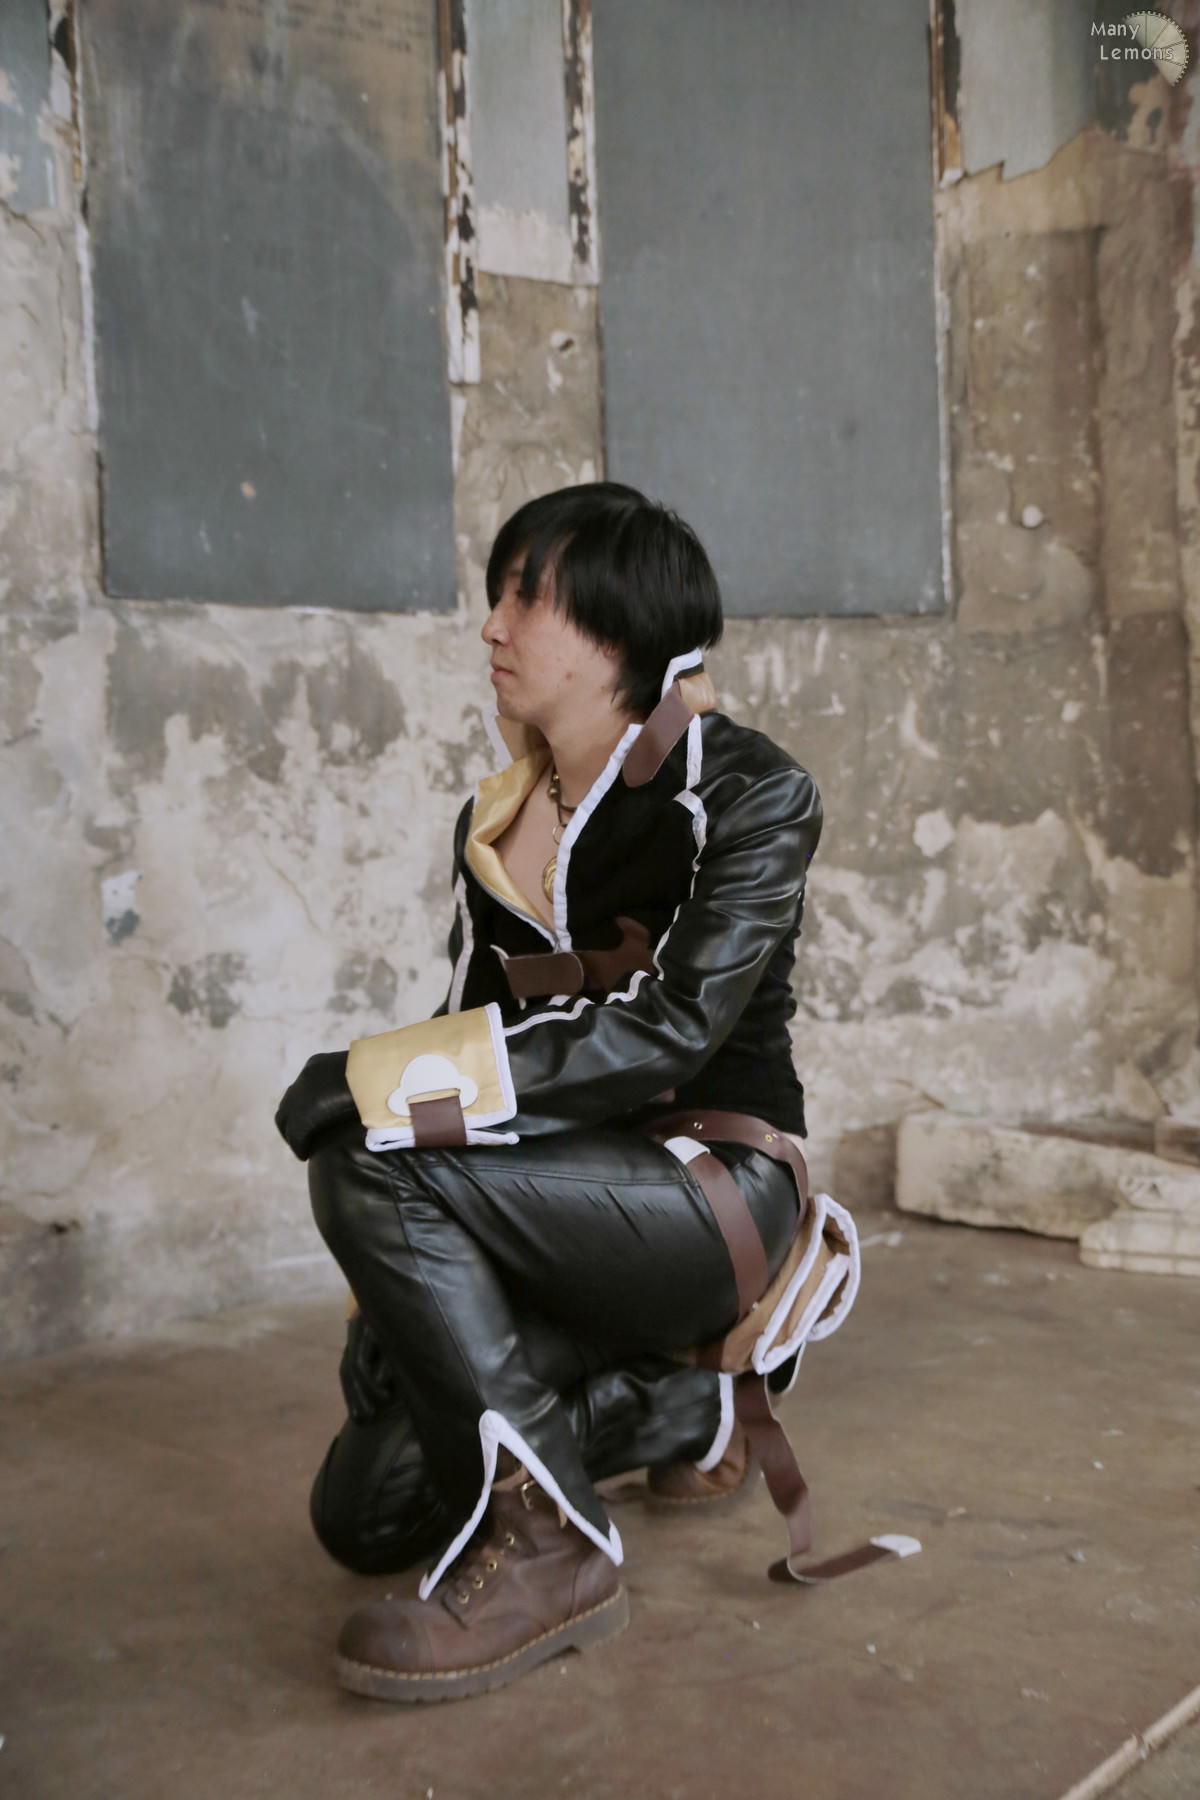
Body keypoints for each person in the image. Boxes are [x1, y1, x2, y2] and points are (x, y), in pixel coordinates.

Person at [275, 480, 823, 1703]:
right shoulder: (498, 818)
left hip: (710, 1193)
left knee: (367, 1154)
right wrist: (381, 1309)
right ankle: (685, 1408)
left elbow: (668, 1031)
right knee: (362, 1514)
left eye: (528, 598)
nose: (494, 625)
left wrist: (374, 1082)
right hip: (549, 1201)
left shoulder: (751, 794)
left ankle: (551, 1551)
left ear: (621, 629)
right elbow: (475, 1029)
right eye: (497, 595)